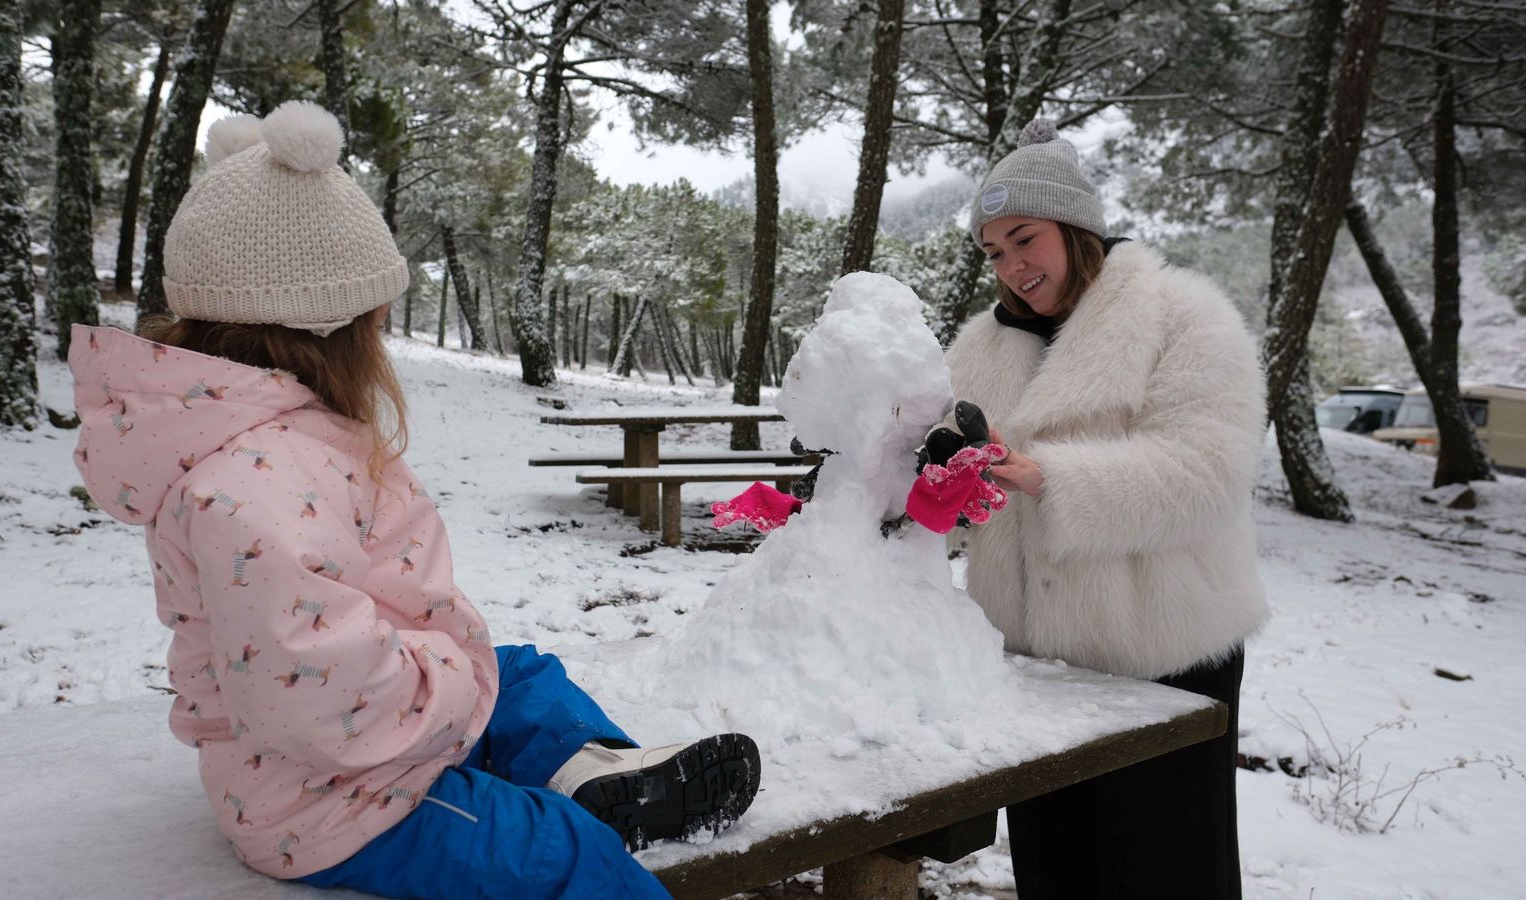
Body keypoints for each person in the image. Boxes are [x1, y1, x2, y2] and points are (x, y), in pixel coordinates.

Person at [68, 100, 758, 900]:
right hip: (333, 802)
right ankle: (584, 815)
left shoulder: (283, 438)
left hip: (374, 723)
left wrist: (460, 669)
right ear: (333, 326)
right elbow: (320, 690)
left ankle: (602, 776)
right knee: (566, 857)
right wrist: (450, 672)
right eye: (378, 318)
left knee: (522, 677)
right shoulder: (249, 484)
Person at [925, 119, 1269, 899]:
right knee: (1057, 870)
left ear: (1075, 226)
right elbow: (960, 490)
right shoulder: (978, 347)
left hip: (1165, 659)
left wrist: (1045, 476)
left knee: (1165, 875)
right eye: (994, 252)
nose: (1013, 267)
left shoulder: (1184, 316)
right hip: (1038, 663)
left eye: (1025, 239)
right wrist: (942, 479)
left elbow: (1209, 473)